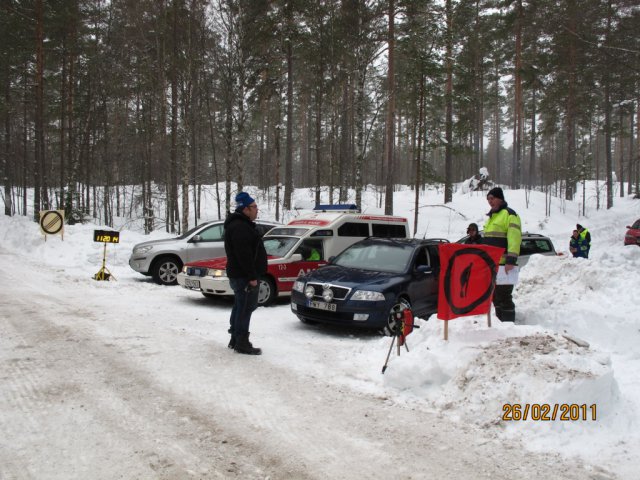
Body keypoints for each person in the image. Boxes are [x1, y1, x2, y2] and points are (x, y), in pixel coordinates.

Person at [224, 192, 268, 355]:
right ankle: (241, 341)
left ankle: (235, 338)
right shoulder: (240, 227)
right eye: (254, 207)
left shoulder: (241, 225)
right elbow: (244, 255)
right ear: (245, 209)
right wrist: (251, 277)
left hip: (240, 274)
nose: (257, 210)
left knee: (240, 306)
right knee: (245, 308)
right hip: (243, 276)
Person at [483, 187, 522, 323]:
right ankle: (501, 325)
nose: (490, 201)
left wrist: (510, 260)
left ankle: (509, 324)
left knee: (504, 296)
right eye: (488, 199)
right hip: (493, 265)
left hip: (505, 265)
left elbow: (514, 239)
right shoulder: (491, 217)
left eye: (492, 198)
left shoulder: (510, 214)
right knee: (495, 297)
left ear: (500, 198)